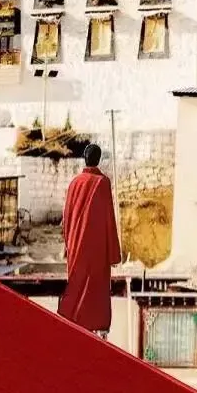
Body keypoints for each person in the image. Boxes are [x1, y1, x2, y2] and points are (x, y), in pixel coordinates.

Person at [59, 143, 121, 336]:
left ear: (84, 159)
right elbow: (109, 218)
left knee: (76, 284)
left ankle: (72, 323)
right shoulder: (103, 182)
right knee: (96, 288)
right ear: (98, 159)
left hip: (76, 243)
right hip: (97, 247)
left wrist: (68, 245)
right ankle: (98, 325)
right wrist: (114, 254)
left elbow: (66, 217)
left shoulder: (74, 183)